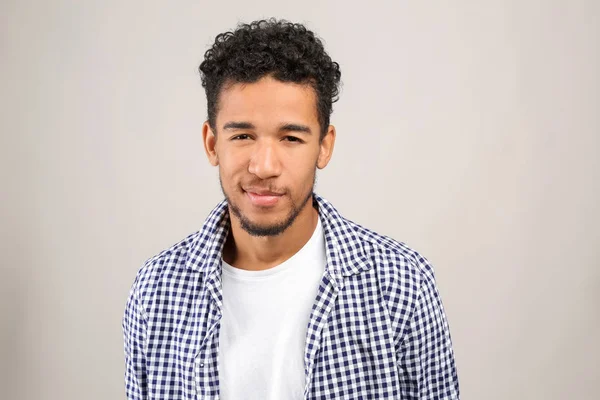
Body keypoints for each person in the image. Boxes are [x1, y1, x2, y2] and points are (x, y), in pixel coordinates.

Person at [122, 18, 460, 400]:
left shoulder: (402, 284)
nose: (264, 166)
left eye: (291, 137)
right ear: (212, 144)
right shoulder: (156, 292)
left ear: (324, 146)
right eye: (243, 136)